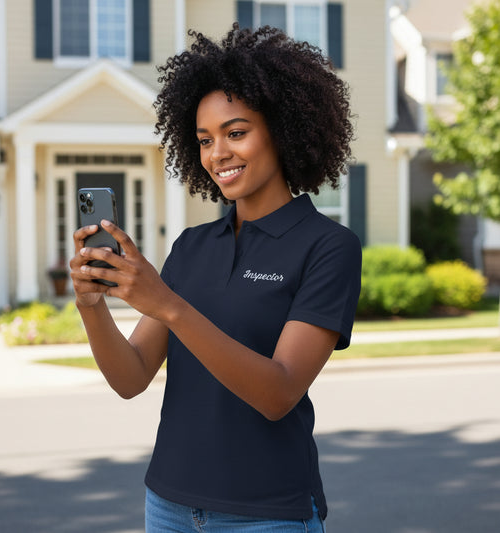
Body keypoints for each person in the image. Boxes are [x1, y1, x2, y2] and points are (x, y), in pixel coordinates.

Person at [70, 24, 361, 533]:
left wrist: (168, 305)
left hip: (268, 515)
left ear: (283, 128)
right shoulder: (192, 246)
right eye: (204, 140)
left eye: (236, 132)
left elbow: (278, 394)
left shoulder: (327, 247)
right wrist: (92, 306)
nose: (217, 154)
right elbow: (130, 377)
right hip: (167, 505)